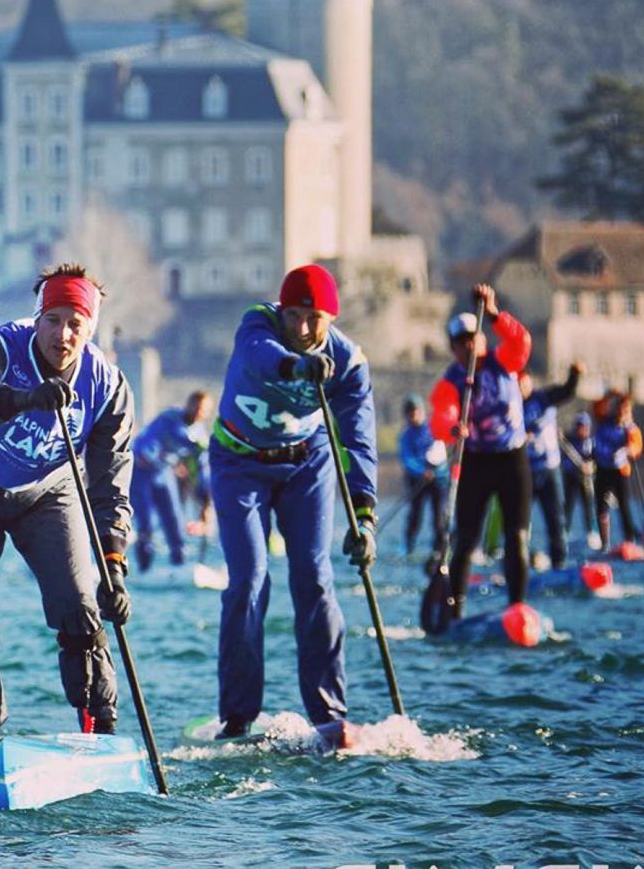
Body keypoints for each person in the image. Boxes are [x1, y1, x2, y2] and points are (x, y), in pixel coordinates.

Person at [0, 262, 134, 750]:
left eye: (75, 324)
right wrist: (22, 398)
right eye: (53, 319)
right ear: (37, 318)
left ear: (90, 329)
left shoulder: (107, 387)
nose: (62, 334)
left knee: (81, 609)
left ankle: (99, 733)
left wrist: (115, 562)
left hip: (46, 493)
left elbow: (109, 484)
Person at [209, 264, 377, 739]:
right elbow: (260, 356)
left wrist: (364, 518)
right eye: (294, 316)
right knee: (249, 580)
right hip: (239, 463)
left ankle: (329, 714)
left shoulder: (348, 362)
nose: (301, 329)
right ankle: (238, 717)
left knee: (314, 577)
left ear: (330, 319)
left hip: (307, 465)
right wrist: (297, 366)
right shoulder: (257, 323)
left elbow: (359, 440)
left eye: (314, 319)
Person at [429, 284, 532, 618]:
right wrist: (451, 428)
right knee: (466, 539)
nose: (469, 345)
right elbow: (440, 417)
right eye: (461, 342)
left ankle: (516, 607)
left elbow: (521, 341)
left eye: (473, 337)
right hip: (475, 460)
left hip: (511, 458)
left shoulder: (505, 361)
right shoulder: (451, 380)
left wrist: (493, 314)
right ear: (453, 348)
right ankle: (454, 612)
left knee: (516, 537)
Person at [129, 391, 212, 573]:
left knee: (174, 520)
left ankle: (178, 566)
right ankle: (144, 569)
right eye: (195, 406)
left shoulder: (199, 433)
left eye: (202, 409)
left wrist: (204, 499)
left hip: (163, 472)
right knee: (146, 523)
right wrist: (198, 445)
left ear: (206, 413)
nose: (197, 412)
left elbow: (202, 467)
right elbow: (173, 436)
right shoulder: (170, 418)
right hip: (141, 470)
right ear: (188, 405)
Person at [519, 363, 582, 570]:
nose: (522, 388)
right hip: (525, 472)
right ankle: (518, 564)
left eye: (524, 383)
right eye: (518, 384)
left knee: (556, 519)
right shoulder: (510, 405)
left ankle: (559, 563)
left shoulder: (544, 398)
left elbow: (567, 392)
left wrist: (574, 375)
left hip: (549, 469)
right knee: (519, 522)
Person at [397, 394, 448, 558]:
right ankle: (408, 547)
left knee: (438, 517)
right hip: (417, 480)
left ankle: (439, 550)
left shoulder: (434, 428)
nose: (414, 415)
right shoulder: (406, 435)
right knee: (415, 516)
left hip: (438, 480)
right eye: (410, 412)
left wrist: (436, 470)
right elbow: (407, 459)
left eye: (416, 411)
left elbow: (442, 454)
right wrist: (421, 472)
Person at [592, 391, 643, 551]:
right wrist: (611, 394)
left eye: (626, 411)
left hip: (620, 471)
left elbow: (637, 446)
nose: (622, 414)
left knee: (623, 507)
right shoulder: (603, 420)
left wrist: (628, 450)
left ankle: (629, 540)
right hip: (602, 468)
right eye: (621, 410)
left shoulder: (631, 429)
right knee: (601, 507)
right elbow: (596, 406)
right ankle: (604, 543)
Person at [562, 412, 598, 547]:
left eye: (586, 427)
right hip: (571, 476)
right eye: (581, 426)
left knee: (588, 505)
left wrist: (591, 467)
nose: (583, 430)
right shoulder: (568, 439)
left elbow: (595, 459)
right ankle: (564, 531)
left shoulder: (591, 442)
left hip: (586, 478)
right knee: (568, 505)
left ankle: (591, 532)